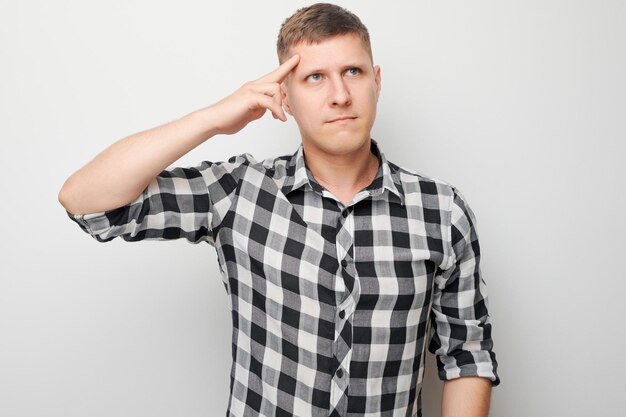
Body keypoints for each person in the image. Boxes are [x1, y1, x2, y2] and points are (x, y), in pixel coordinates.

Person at [59, 3, 500, 416]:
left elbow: (467, 355)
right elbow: (87, 202)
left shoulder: (441, 211)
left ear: (377, 81)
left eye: (353, 71)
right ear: (284, 98)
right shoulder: (240, 192)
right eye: (314, 78)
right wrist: (214, 117)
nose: (340, 95)